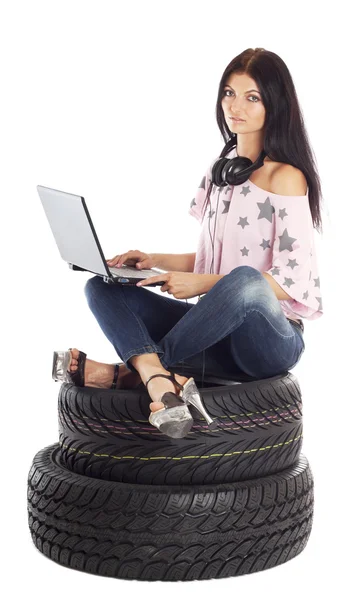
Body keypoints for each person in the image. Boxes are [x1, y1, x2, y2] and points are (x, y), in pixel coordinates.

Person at [52, 47, 324, 439]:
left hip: (267, 341)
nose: (235, 106)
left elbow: (292, 279)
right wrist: (153, 259)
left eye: (252, 97)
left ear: (274, 105)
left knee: (246, 281)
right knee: (101, 287)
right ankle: (160, 381)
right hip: (211, 331)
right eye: (229, 93)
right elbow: (211, 260)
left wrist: (202, 285)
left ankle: (133, 371)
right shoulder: (222, 174)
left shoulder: (286, 178)